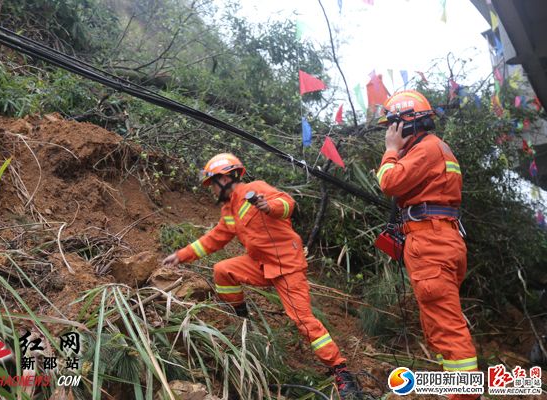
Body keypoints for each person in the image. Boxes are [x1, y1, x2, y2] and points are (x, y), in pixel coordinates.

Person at [163, 153, 360, 399]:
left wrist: (269, 206)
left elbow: (287, 203)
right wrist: (181, 255)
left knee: (303, 320)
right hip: (260, 264)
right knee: (223, 270)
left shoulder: (255, 189)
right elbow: (214, 239)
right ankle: (242, 318)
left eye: (213, 183)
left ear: (226, 178)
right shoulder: (228, 210)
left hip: (287, 266)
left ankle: (340, 371)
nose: (212, 189)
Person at [376, 90, 479, 400]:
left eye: (391, 126)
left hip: (431, 242)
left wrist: (391, 151)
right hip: (441, 238)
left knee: (446, 328)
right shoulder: (437, 149)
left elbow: (388, 182)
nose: (388, 133)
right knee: (439, 323)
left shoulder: (426, 149)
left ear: (406, 123)